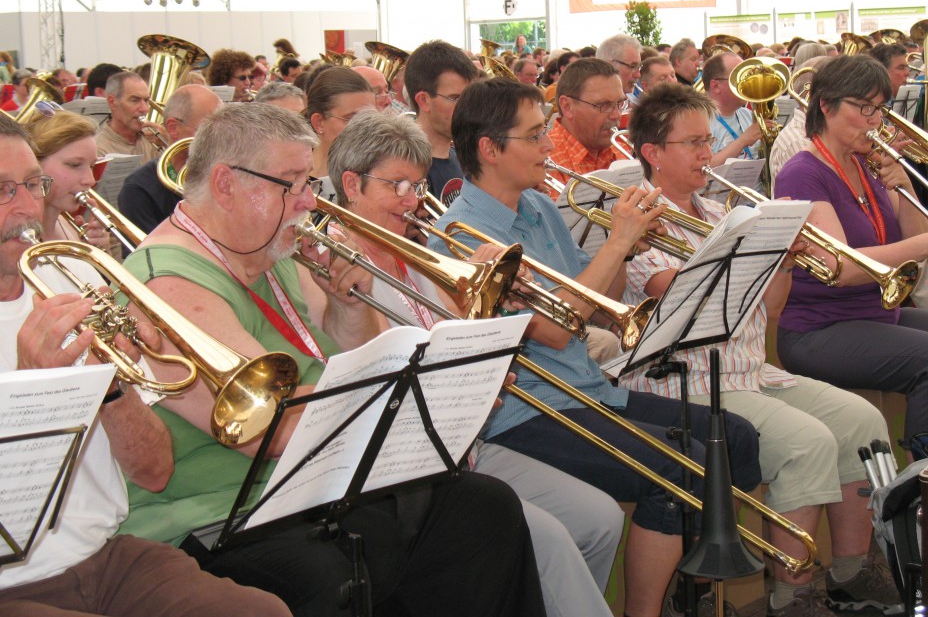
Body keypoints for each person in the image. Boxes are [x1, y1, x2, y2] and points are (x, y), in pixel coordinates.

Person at [119, 102, 546, 617]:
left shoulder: (266, 249)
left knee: (484, 507)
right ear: (226, 184)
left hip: (316, 486)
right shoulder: (166, 282)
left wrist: (349, 303)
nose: (308, 202)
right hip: (223, 513)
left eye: (309, 182)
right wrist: (419, 403)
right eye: (292, 185)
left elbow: (350, 356)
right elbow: (271, 430)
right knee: (333, 575)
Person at [431, 76, 762, 617]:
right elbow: (556, 328)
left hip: (587, 389)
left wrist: (624, 250)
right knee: (681, 469)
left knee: (736, 436)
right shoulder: (461, 235)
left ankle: (693, 589)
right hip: (527, 410)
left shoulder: (538, 207)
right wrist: (620, 239)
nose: (548, 145)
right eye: (534, 135)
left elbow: (602, 303)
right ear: (490, 149)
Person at [328, 109, 622, 617]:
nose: (411, 201)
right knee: (548, 541)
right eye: (397, 186)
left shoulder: (419, 250)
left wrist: (488, 294)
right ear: (352, 185)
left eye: (418, 186)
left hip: (466, 445)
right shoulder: (334, 265)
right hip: (411, 468)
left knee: (600, 521)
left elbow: (466, 342)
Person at [620, 83, 899, 617]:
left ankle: (850, 572)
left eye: (708, 141)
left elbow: (769, 309)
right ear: (653, 153)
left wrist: (783, 258)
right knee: (805, 442)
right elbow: (675, 299)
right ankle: (791, 596)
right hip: (685, 379)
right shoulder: (637, 220)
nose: (708, 154)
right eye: (693, 143)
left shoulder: (718, 210)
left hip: (749, 371)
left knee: (862, 421)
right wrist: (748, 251)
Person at [0, 116, 290, 616]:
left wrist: (112, 387)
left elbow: (153, 471)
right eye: (3, 190)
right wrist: (36, 390)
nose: (28, 207)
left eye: (32, 184)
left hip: (106, 556)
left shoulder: (74, 275)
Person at [773, 54, 928, 455]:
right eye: (864, 108)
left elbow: (916, 237)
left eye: (880, 109)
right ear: (826, 106)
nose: (875, 120)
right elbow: (841, 268)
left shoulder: (866, 165)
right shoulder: (803, 172)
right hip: (819, 328)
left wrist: (904, 184)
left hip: (876, 314)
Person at [118, 85, 222, 234]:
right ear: (173, 128)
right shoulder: (138, 189)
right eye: (208, 128)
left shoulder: (226, 173)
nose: (221, 137)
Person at [24, 111, 117, 253]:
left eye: (92, 166)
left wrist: (100, 254)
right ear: (35, 163)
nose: (90, 180)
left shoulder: (70, 228)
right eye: (74, 165)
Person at [403, 40, 480, 197]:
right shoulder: (406, 170)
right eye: (455, 98)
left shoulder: (463, 159)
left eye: (470, 97)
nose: (468, 107)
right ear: (424, 101)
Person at [545, 58, 625, 194]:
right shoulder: (544, 159)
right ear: (567, 106)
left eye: (620, 103)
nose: (616, 115)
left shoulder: (622, 148)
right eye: (603, 105)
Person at [304, 66, 376, 203]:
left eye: (370, 119)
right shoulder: (291, 177)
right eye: (352, 119)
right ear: (319, 122)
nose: (366, 129)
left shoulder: (375, 177)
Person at [704, 52, 761, 166]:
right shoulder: (699, 121)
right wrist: (742, 141)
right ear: (716, 86)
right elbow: (702, 168)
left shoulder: (749, 115)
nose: (747, 84)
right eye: (738, 78)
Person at [94, 72, 162, 161]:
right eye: (134, 100)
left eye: (146, 100)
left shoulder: (155, 139)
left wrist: (168, 142)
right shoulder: (97, 149)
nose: (144, 109)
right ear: (112, 102)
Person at [596, 34, 642, 102]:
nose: (638, 75)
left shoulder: (633, 102)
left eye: (639, 67)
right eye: (632, 66)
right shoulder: (589, 104)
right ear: (609, 65)